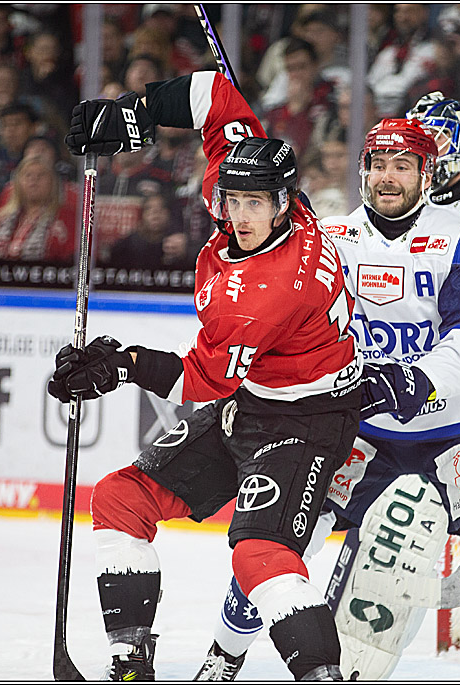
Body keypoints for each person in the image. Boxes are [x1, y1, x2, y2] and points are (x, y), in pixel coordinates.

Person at [196, 97, 460, 681]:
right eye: (378, 163)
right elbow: (260, 251)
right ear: (364, 173)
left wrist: (415, 381)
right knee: (279, 539)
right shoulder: (328, 242)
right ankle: (222, 657)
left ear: (425, 174)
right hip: (361, 428)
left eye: (403, 164)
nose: (388, 175)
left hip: (458, 422)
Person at [50, 71, 362, 681]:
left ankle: (322, 673)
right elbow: (211, 94)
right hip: (252, 400)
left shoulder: (271, 290)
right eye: (231, 200)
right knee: (119, 497)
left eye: (253, 205)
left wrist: (121, 364)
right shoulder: (263, 186)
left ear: (282, 203)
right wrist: (127, 119)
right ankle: (131, 661)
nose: (238, 215)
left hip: (305, 418)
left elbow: (202, 380)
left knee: (258, 552)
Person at [0, 156, 75, 262]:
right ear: (17, 183)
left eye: (41, 175)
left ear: (53, 182)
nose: (33, 180)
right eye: (28, 175)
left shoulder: (67, 218)